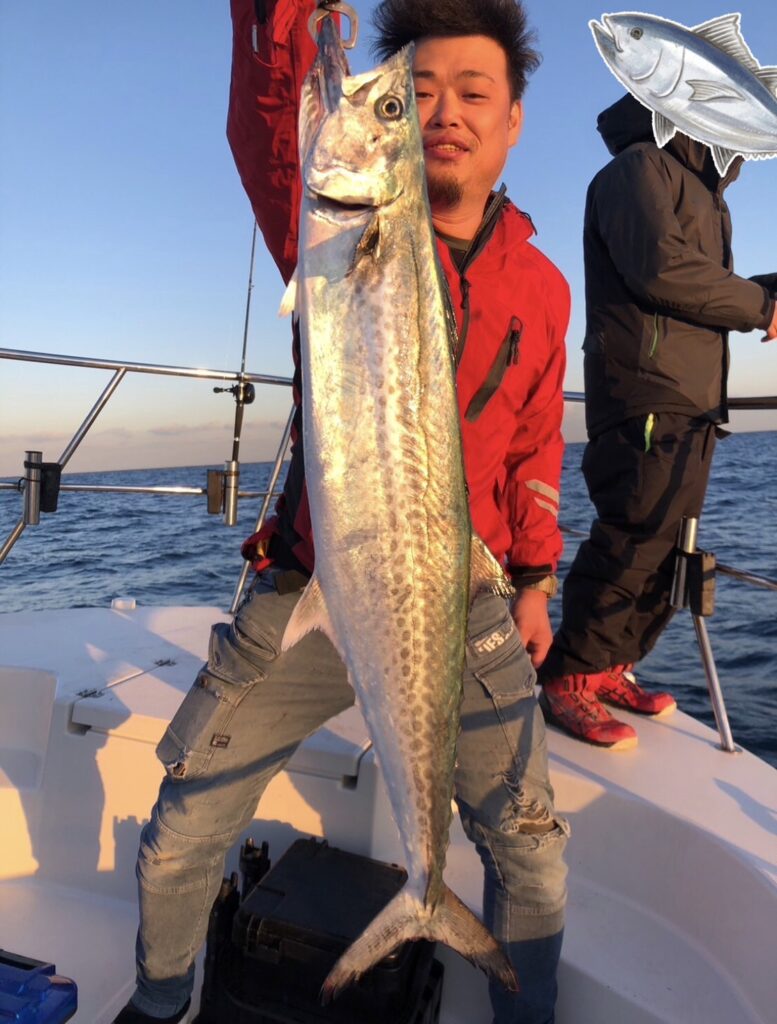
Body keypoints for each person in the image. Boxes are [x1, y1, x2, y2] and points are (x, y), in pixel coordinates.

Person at [113, 1, 571, 1022]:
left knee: (532, 852)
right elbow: (268, 123)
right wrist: (289, 18)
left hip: (462, 595)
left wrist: (537, 578)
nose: (440, 112)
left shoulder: (541, 287)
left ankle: (487, 968)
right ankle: (157, 1002)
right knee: (182, 829)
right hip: (312, 580)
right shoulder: (328, 230)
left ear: (512, 120)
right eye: (417, 93)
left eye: (471, 93)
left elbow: (536, 445)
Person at [538, 91, 777, 751]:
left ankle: (609, 666)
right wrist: (762, 307)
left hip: (689, 394)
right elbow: (662, 270)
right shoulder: (637, 168)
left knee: (670, 542)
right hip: (644, 388)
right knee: (635, 533)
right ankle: (568, 675)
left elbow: (699, 284)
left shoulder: (701, 191)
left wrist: (768, 290)